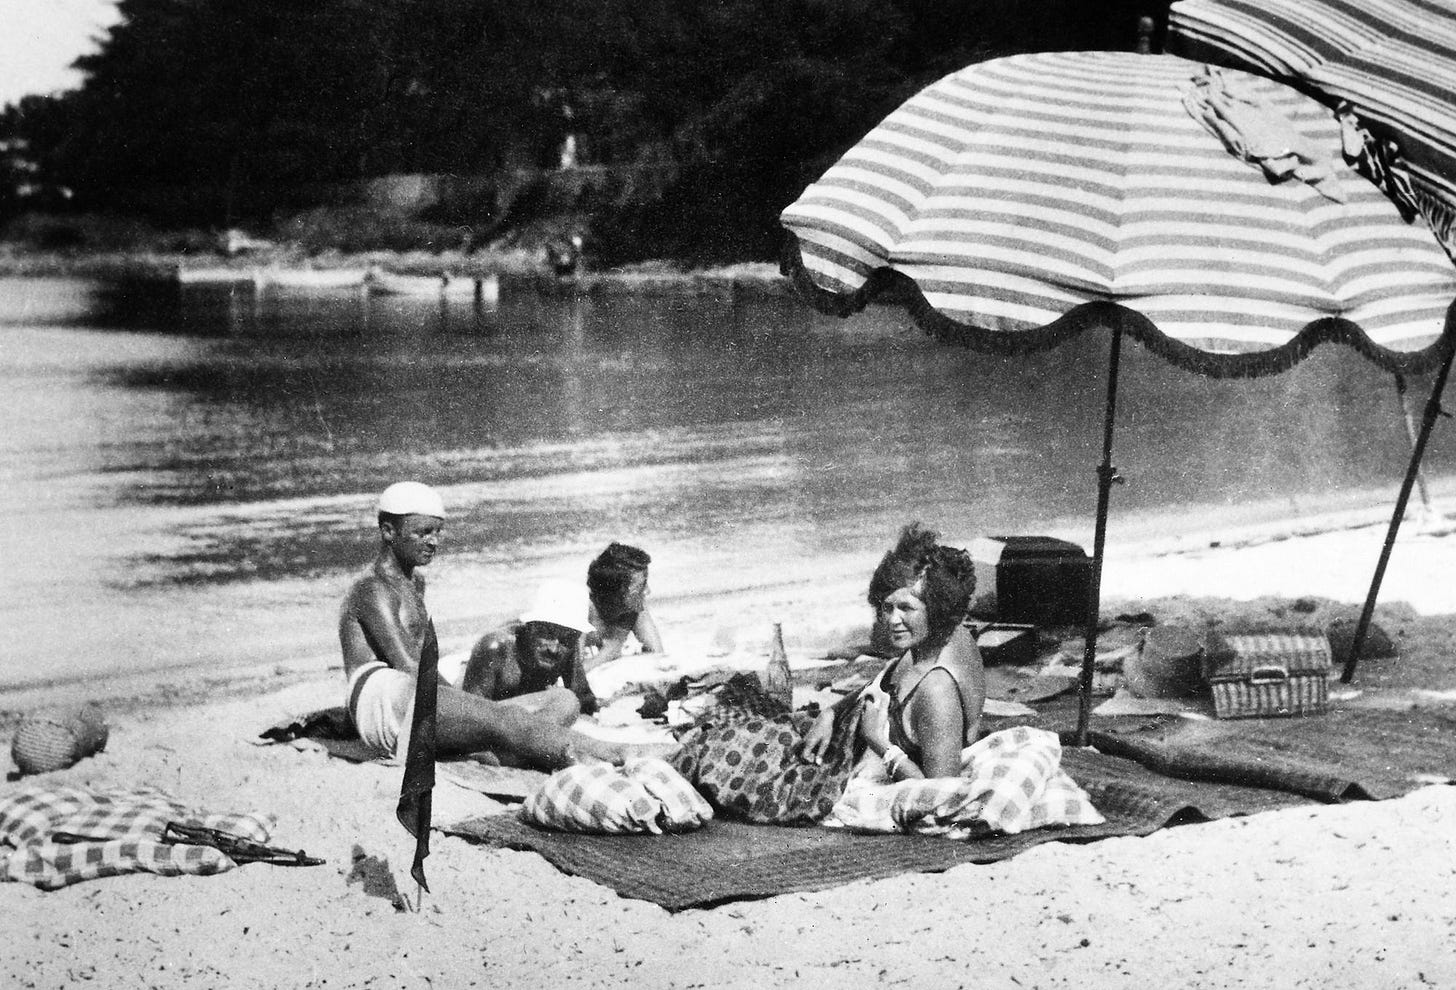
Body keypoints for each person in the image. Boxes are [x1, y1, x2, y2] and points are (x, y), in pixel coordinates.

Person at [338, 481, 659, 770]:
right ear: (389, 532)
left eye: (438, 531)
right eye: (423, 532)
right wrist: (475, 710)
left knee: (563, 702)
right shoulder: (372, 589)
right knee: (506, 721)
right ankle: (621, 753)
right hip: (383, 700)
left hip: (413, 696)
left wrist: (472, 712)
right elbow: (409, 665)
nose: (434, 541)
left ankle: (500, 747)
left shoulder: (414, 583)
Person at [801, 523, 986, 780]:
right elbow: (887, 680)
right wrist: (830, 713)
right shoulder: (934, 643)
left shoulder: (937, 688)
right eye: (887, 608)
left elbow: (940, 791)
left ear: (937, 607)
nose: (892, 620)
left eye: (906, 608)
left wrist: (879, 743)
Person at [460, 580, 599, 716]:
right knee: (564, 701)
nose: (554, 649)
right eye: (547, 633)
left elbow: (584, 700)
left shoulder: (567, 646)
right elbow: (470, 715)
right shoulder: (496, 648)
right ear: (530, 626)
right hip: (482, 711)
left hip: (510, 716)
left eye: (568, 638)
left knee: (566, 700)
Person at [583, 542, 665, 669]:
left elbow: (657, 653)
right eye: (640, 587)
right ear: (614, 593)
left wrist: (610, 651)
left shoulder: (633, 607)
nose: (648, 591)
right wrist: (609, 652)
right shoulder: (582, 610)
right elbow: (571, 675)